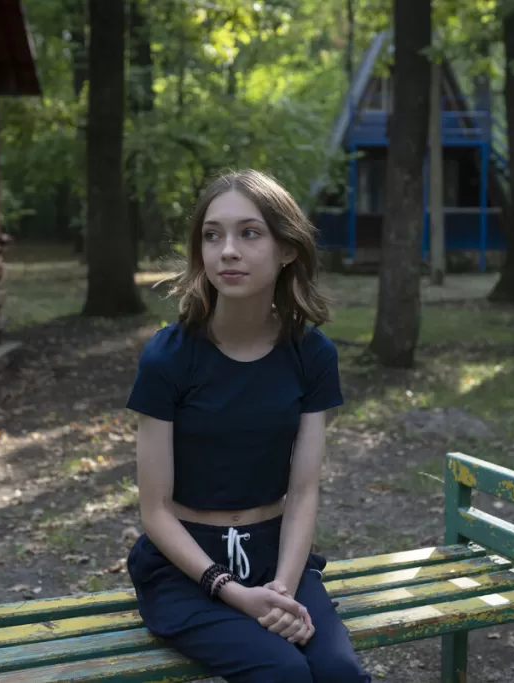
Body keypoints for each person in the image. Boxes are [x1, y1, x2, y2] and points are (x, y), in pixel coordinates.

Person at [125, 169, 371, 683]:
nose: (227, 251)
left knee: (338, 673)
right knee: (281, 672)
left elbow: (303, 494)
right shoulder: (168, 358)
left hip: (276, 557)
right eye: (212, 235)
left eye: (249, 233)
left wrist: (281, 590)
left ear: (286, 249)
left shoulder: (311, 355)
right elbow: (154, 510)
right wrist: (234, 593)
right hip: (185, 571)